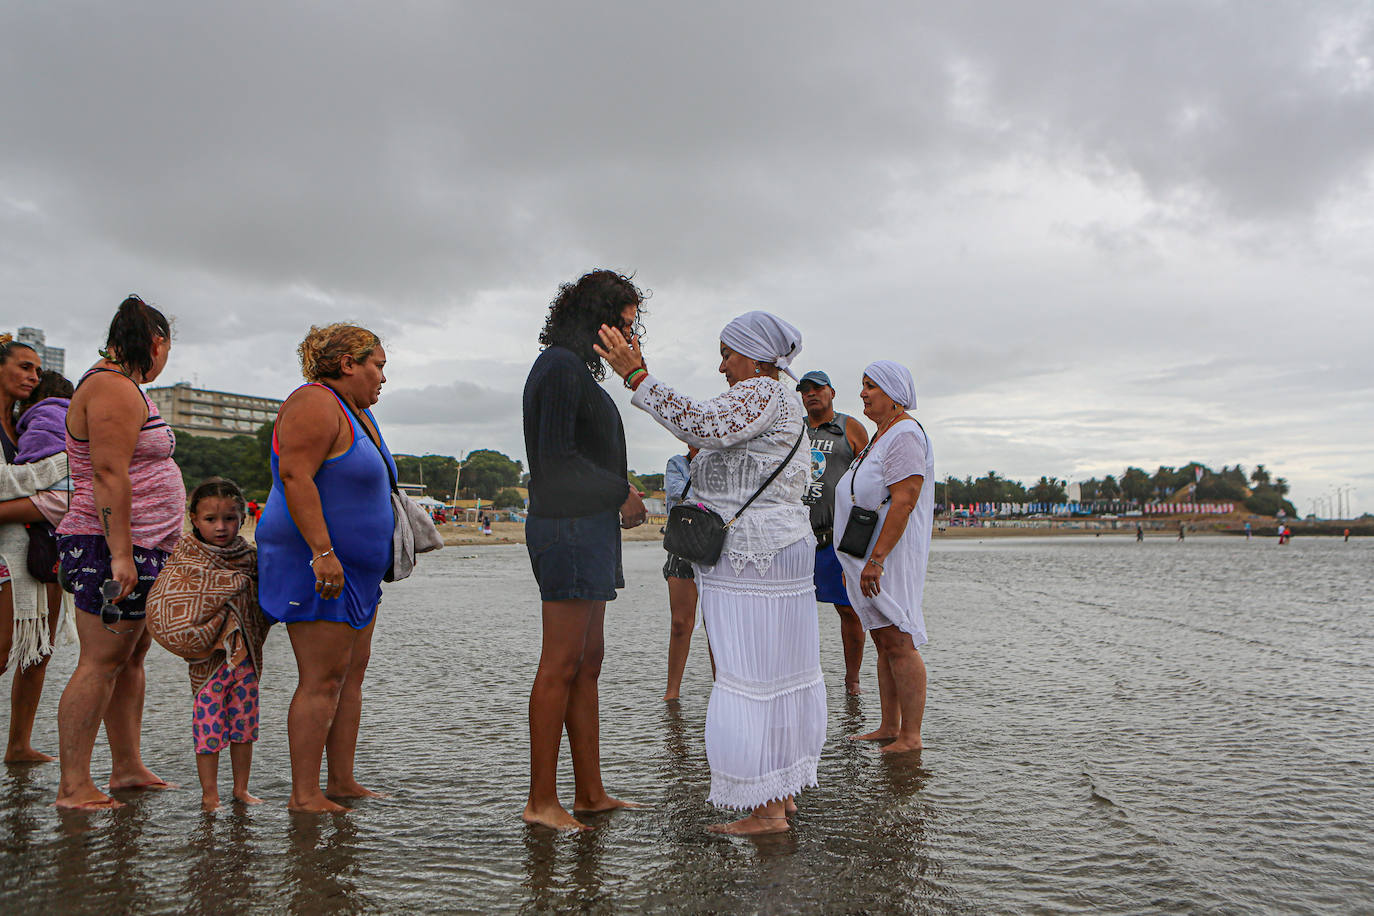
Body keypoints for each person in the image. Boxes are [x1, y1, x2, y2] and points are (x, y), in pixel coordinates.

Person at [597, 309, 825, 837]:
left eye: (727, 354)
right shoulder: (782, 399)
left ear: (753, 355)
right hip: (780, 549)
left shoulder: (764, 392)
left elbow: (702, 424)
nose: (722, 367)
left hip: (752, 557)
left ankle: (766, 811)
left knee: (745, 673)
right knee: (775, 672)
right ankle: (780, 794)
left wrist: (637, 378)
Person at [521, 269, 648, 831]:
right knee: (561, 664)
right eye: (623, 326)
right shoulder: (559, 367)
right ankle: (541, 801)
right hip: (566, 527)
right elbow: (555, 463)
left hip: (586, 529)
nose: (630, 338)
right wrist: (619, 490)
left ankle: (591, 792)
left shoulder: (578, 373)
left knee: (587, 665)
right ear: (596, 320)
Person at [257, 323, 393, 813]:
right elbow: (295, 475)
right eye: (377, 365)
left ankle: (341, 781)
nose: (382, 377)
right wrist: (322, 551)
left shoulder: (354, 411)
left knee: (349, 675)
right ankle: (304, 794)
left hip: (356, 571)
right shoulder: (314, 402)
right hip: (315, 563)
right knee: (321, 678)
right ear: (348, 363)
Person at [54, 295, 184, 808]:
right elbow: (108, 474)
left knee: (130, 658)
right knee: (101, 660)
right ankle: (73, 785)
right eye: (166, 350)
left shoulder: (123, 387)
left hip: (144, 542)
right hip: (107, 544)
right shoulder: (110, 387)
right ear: (155, 344)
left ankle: (127, 767)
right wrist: (121, 555)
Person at [147, 478, 269, 810]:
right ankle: (209, 793)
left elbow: (266, 595)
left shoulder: (249, 557)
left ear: (242, 519)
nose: (221, 527)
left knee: (244, 727)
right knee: (209, 727)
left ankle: (241, 789)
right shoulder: (187, 555)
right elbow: (168, 600)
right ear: (194, 519)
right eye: (210, 519)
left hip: (245, 656)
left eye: (230, 518)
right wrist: (232, 587)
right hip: (208, 660)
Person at [834, 361, 933, 755]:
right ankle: (889, 724)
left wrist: (876, 560)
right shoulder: (882, 435)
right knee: (883, 641)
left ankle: (911, 736)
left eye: (871, 386)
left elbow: (904, 501)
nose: (863, 393)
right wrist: (854, 564)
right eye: (862, 385)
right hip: (869, 557)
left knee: (899, 640)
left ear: (894, 393)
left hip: (888, 557)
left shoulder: (905, 434)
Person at [0, 338, 70, 763]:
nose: (33, 376)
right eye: (24, 366)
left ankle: (18, 745)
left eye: (37, 371)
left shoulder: (26, 421)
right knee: (3, 649)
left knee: (39, 649)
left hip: (43, 544)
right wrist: (60, 467)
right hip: (7, 551)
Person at [797, 369, 870, 695]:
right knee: (793, 610)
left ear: (832, 392)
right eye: (805, 390)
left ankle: (852, 680)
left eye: (817, 388)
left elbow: (869, 478)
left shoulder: (849, 427)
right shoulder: (793, 428)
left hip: (835, 537)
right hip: (796, 536)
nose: (811, 394)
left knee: (849, 609)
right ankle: (797, 676)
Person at [662, 446, 705, 701]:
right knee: (680, 623)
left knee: (716, 625)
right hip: (682, 542)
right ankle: (672, 692)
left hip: (714, 543)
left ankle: (722, 687)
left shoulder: (723, 461)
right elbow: (678, 494)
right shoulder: (677, 463)